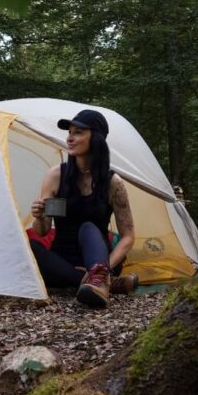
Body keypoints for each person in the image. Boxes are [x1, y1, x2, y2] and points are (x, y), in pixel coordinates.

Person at [30, 109, 138, 307]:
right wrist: (39, 216)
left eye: (78, 132)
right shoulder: (55, 176)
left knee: (88, 226)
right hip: (62, 261)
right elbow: (43, 230)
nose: (70, 138)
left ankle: (99, 278)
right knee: (28, 246)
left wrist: (101, 268)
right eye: (69, 133)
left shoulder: (113, 183)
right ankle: (107, 285)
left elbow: (128, 237)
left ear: (96, 138)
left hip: (99, 258)